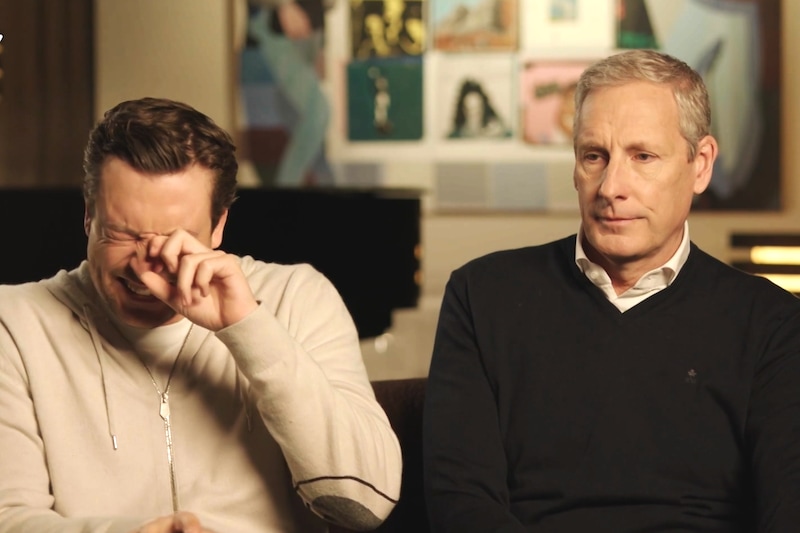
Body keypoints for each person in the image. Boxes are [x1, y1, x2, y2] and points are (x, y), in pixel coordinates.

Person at [423, 49, 800, 532]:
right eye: (594, 156)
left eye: (643, 157)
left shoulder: (770, 322)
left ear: (701, 165)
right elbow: (461, 502)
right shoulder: (482, 296)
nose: (610, 187)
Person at [0, 97, 402, 532]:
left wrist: (248, 328)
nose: (146, 267)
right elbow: (8, 516)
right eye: (121, 234)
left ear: (219, 225)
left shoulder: (297, 298)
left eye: (176, 237)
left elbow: (364, 506)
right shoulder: (15, 324)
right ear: (88, 216)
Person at [246, 0, 335, 187]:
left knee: (298, 120)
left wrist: (320, 43)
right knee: (318, 112)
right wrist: (284, 4)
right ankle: (287, 189)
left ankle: (326, 187)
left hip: (309, 32)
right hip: (277, 31)